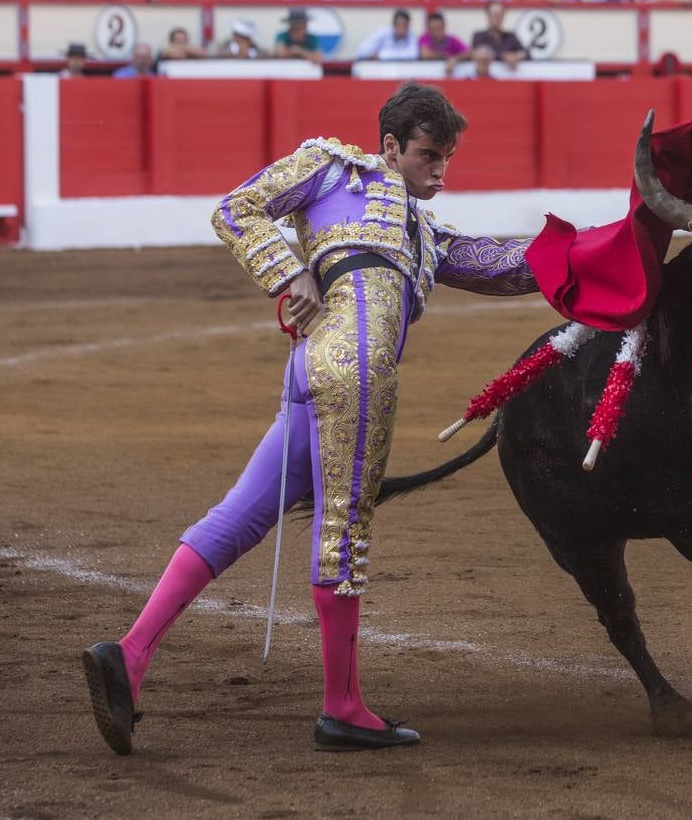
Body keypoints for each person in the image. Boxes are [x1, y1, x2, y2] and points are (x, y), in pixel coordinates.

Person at [81, 82, 540, 755]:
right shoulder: (331, 165)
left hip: (313, 370)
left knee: (241, 515)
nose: (439, 169)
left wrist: (616, 242)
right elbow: (237, 208)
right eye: (427, 155)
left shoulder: (423, 232)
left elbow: (508, 265)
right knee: (343, 527)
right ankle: (343, 708)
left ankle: (131, 654)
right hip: (353, 370)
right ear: (390, 145)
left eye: (446, 157)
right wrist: (288, 274)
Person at [470, 0, 527, 70]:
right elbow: (476, 53)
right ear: (488, 16)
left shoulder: (511, 36)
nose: (497, 18)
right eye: (494, 14)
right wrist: (504, 56)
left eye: (500, 15)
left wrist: (517, 56)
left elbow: (525, 52)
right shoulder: (479, 36)